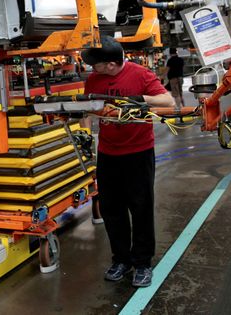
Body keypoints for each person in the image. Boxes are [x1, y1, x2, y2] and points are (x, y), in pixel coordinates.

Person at [82, 36, 174, 288]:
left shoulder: (140, 75)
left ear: (111, 64)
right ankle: (121, 259)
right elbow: (89, 108)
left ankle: (142, 263)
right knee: (112, 210)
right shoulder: (93, 79)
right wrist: (85, 132)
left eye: (96, 64)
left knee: (141, 208)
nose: (92, 68)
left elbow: (169, 101)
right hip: (108, 153)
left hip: (138, 152)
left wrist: (142, 100)